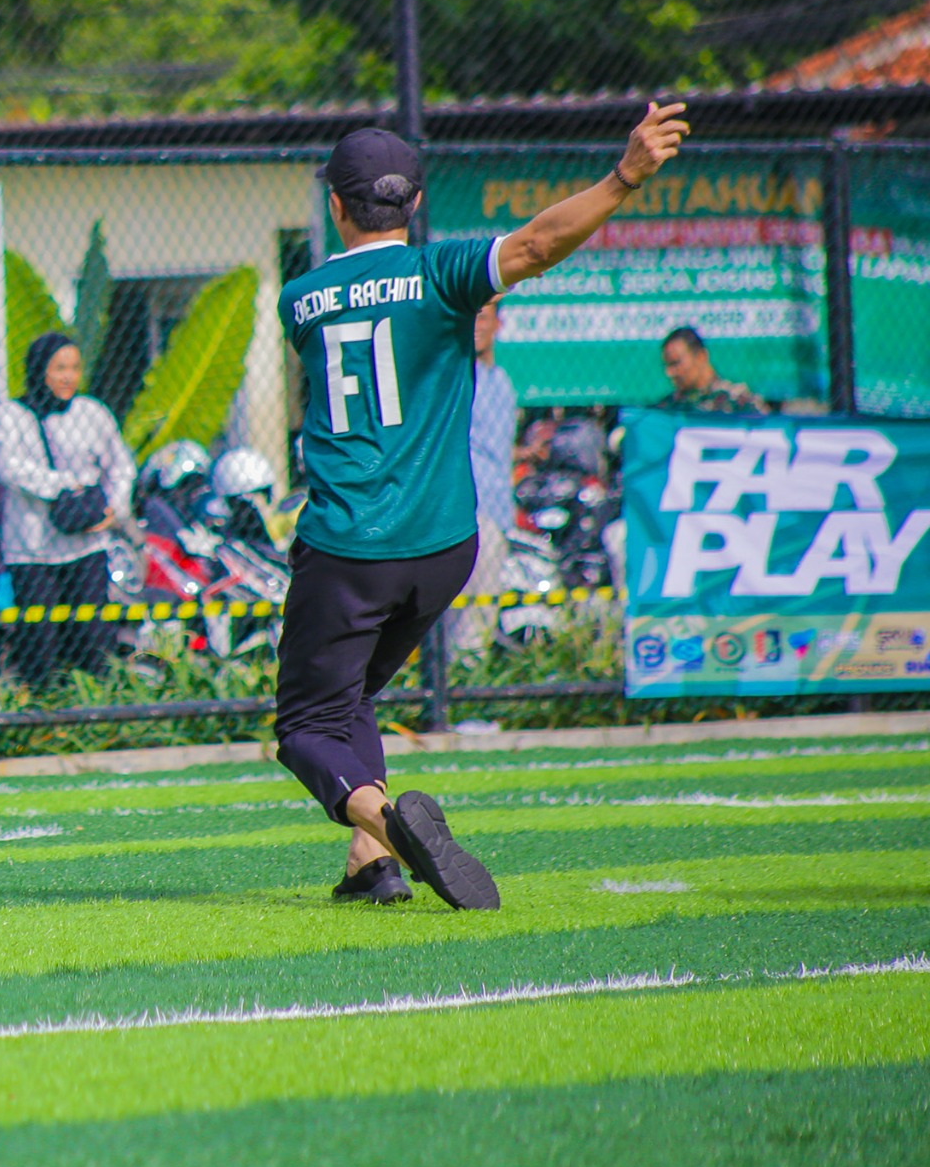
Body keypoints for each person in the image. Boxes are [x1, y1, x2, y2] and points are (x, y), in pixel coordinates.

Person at [275, 104, 688, 910]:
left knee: (306, 727)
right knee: (351, 694)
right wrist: (623, 176)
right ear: (417, 203)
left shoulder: (301, 298)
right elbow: (535, 245)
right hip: (445, 545)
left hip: (351, 546)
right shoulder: (440, 273)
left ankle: (392, 829)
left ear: (335, 206)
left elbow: (353, 322)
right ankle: (371, 863)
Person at [0, 331, 135, 688]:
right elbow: (8, 467)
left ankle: (92, 708)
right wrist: (64, 488)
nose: (69, 376)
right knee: (40, 639)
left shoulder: (93, 412)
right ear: (39, 370)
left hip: (86, 545)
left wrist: (113, 506)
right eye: (59, 368)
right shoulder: (11, 414)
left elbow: (121, 465)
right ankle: (43, 707)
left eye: (74, 368)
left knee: (92, 635)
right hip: (33, 549)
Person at [445, 299, 519, 655]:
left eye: (483, 317)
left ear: (498, 325)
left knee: (483, 604)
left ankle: (469, 669)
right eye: (469, 316)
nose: (475, 324)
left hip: (495, 512)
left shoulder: (502, 383)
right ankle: (454, 669)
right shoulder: (451, 378)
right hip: (460, 511)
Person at [654, 325, 766, 415]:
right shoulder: (669, 408)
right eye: (667, 365)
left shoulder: (737, 401)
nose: (669, 373)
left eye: (676, 363)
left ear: (701, 357)